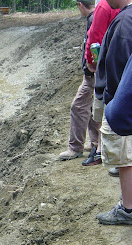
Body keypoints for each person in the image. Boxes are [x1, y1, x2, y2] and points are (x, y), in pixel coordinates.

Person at [93, 0, 132, 225]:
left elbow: (118, 67)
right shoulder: (125, 17)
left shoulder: (125, 22)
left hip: (122, 101)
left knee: (125, 157)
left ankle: (127, 209)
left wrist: (113, 100)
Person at [58, 0, 101, 163]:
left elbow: (94, 45)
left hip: (92, 74)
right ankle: (96, 141)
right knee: (90, 107)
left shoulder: (92, 19)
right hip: (94, 73)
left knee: (78, 107)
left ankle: (75, 148)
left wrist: (92, 67)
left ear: (80, 5)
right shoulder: (96, 16)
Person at [84, 0, 119, 168]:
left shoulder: (104, 6)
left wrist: (92, 62)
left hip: (106, 65)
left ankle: (99, 149)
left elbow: (95, 37)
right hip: (119, 63)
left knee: (101, 106)